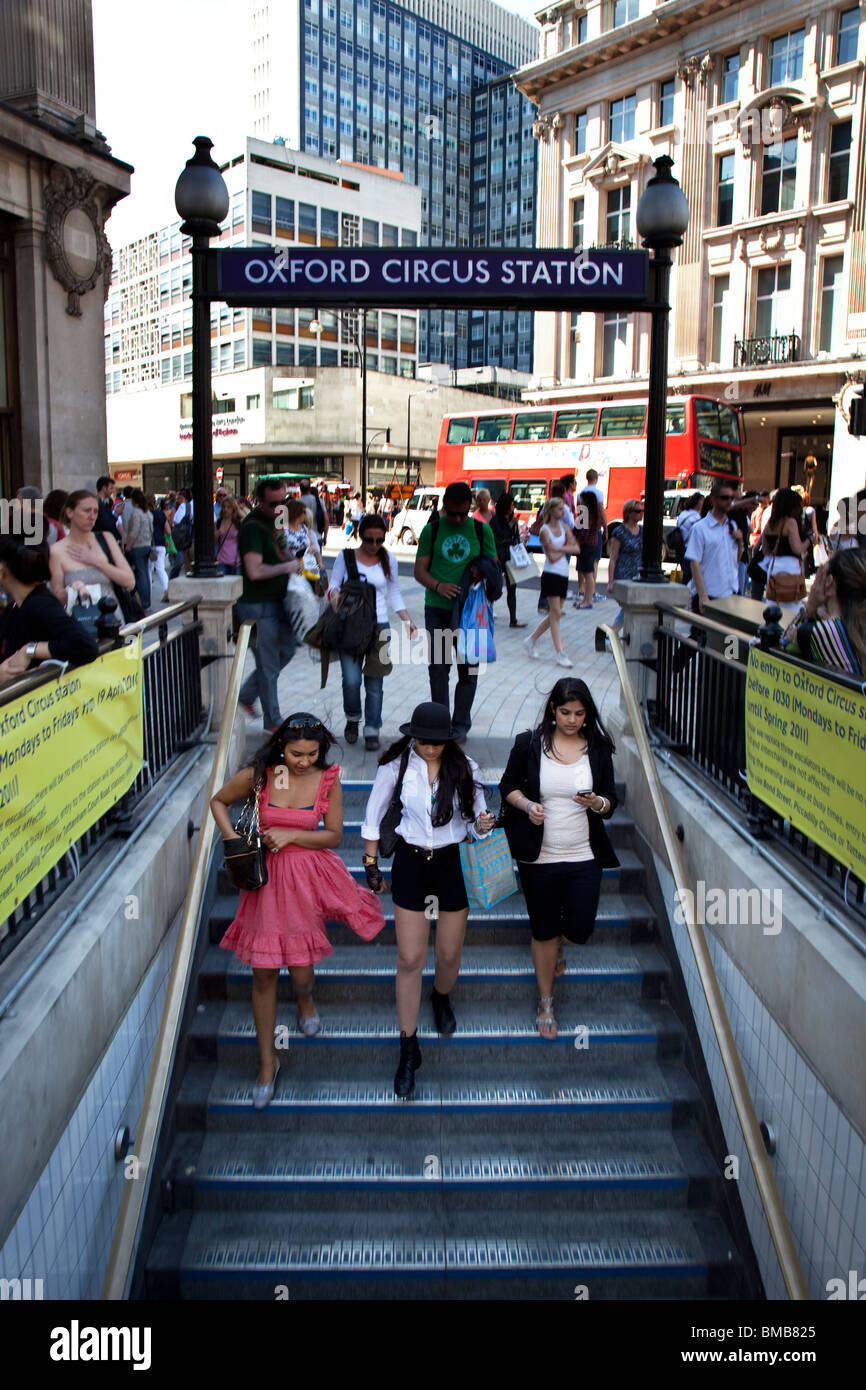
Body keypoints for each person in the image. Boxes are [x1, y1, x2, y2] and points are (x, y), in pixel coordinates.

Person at [210, 714, 384, 1108]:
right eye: (295, 754)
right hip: (264, 883)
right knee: (263, 975)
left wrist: (292, 835)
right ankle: (267, 1064)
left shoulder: (328, 779)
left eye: (312, 753)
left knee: (302, 974)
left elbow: (335, 835)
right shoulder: (261, 774)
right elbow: (218, 801)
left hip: (305, 881)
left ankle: (305, 999)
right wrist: (234, 838)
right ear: (280, 748)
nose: (304, 761)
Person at [361, 702, 496, 1097]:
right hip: (411, 864)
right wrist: (371, 864)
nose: (430, 748)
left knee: (450, 954)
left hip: (451, 864)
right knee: (409, 958)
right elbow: (373, 816)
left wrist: (484, 823)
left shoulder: (465, 767)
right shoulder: (396, 767)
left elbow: (476, 821)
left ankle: (440, 996)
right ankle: (408, 1048)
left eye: (437, 742)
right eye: (423, 741)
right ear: (412, 736)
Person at [499, 678, 618, 1039]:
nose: (572, 720)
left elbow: (610, 801)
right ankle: (546, 1002)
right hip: (540, 859)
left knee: (580, 928)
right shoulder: (530, 744)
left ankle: (557, 946)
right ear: (553, 709)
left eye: (580, 714)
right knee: (544, 929)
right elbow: (507, 787)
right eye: (565, 712)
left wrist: (596, 803)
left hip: (585, 854)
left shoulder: (597, 747)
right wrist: (528, 805)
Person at [413, 479, 499, 741]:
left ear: (470, 507)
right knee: (439, 670)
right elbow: (419, 572)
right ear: (444, 507)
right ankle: (440, 724)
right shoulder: (433, 530)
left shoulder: (482, 531)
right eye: (453, 514)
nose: (459, 519)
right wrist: (438, 585)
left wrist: (478, 571)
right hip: (438, 610)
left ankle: (460, 724)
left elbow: (493, 566)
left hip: (470, 614)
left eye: (464, 513)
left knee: (469, 671)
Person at [328, 512, 416, 750]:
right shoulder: (345, 557)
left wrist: (407, 620)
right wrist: (333, 595)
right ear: (360, 536)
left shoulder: (389, 559)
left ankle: (372, 728)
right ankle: (353, 718)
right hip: (351, 625)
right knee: (351, 680)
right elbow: (333, 584)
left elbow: (394, 592)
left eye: (379, 540)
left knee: (375, 683)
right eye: (369, 540)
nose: (374, 545)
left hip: (380, 626)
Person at [237, 478, 304, 731]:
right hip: (257, 605)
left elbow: (283, 549)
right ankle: (273, 721)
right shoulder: (251, 527)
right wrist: (287, 566)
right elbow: (254, 571)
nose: (279, 508)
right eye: (273, 503)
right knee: (268, 664)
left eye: (283, 502)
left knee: (286, 650)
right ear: (258, 501)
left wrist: (293, 561)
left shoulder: (278, 517)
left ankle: (245, 695)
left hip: (280, 600)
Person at [0, 535, 99, 679]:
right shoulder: (16, 606)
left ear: (2, 570)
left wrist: (31, 649)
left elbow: (85, 646)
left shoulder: (40, 605)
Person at [782, 549, 866, 674]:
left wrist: (810, 606)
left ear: (829, 582)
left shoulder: (816, 632)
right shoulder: (858, 627)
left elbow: (781, 645)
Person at [49, 490, 135, 604]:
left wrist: (99, 562)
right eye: (86, 511)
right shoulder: (56, 551)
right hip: (78, 617)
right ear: (70, 512)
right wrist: (72, 591)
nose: (92, 516)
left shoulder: (106, 538)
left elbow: (130, 581)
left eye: (95, 511)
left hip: (113, 616)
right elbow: (56, 594)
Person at [523, 496, 578, 667]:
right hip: (550, 574)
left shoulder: (565, 528)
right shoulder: (544, 530)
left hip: (563, 574)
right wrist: (564, 549)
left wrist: (560, 547)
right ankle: (560, 653)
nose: (563, 512)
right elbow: (552, 558)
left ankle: (531, 640)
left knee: (555, 613)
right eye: (560, 508)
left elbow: (576, 548)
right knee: (556, 613)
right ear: (552, 510)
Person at [684, 479, 741, 614]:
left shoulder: (732, 526)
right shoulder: (700, 528)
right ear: (714, 500)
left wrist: (740, 542)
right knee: (702, 634)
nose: (729, 501)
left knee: (727, 635)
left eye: (732, 498)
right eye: (724, 498)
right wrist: (703, 595)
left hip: (730, 593)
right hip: (709, 594)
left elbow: (736, 560)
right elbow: (694, 563)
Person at [759, 488, 810, 599]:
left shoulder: (770, 523)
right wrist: (808, 542)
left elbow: (765, 550)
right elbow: (797, 548)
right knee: (790, 604)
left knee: (774, 601)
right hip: (790, 568)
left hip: (773, 567)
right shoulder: (790, 522)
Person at [490, 491, 527, 628]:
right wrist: (511, 524)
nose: (513, 508)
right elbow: (498, 537)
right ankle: (487, 614)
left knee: (512, 587)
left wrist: (520, 543)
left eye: (513, 505)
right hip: (499, 556)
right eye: (511, 505)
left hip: (511, 556)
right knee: (495, 586)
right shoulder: (496, 520)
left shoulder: (512, 519)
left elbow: (515, 537)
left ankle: (513, 619)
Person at [606, 498, 644, 625]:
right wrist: (610, 582)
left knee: (632, 607)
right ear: (629, 513)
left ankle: (617, 634)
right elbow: (613, 557)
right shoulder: (620, 532)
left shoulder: (642, 530)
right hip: (623, 574)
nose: (641, 513)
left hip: (637, 575)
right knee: (629, 606)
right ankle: (613, 632)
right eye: (638, 511)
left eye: (642, 510)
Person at [123, 489, 154, 612]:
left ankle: (144, 603)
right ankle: (146, 601)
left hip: (137, 546)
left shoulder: (136, 513)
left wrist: (128, 546)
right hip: (147, 545)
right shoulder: (148, 513)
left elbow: (134, 531)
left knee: (140, 575)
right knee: (145, 574)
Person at [284, 498, 324, 588]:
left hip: (307, 566)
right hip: (292, 568)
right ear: (295, 512)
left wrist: (310, 549)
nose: (305, 514)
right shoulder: (283, 529)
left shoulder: (303, 528)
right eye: (303, 512)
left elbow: (312, 544)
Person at [580, 469, 607, 601]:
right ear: (596, 478)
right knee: (594, 562)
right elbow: (602, 513)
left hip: (582, 533)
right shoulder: (599, 493)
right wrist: (606, 529)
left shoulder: (580, 493)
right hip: (594, 534)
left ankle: (581, 589)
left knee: (582, 563)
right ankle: (592, 592)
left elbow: (580, 517)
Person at [573, 488, 602, 609]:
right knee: (587, 573)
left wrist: (576, 542)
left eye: (582, 500)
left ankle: (588, 600)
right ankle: (586, 599)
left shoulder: (586, 514)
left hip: (585, 546)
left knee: (587, 574)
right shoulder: (595, 515)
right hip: (591, 545)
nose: (580, 502)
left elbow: (583, 532)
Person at [676, 492, 704, 586]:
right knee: (689, 576)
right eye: (702, 501)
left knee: (685, 573)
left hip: (680, 547)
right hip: (689, 548)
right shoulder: (696, 517)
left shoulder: (683, 513)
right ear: (698, 503)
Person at [168, 488, 194, 579]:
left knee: (188, 569)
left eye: (180, 498)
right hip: (198, 542)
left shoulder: (185, 507)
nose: (178, 500)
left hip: (187, 541)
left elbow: (175, 521)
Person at [215, 495, 243, 576]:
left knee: (237, 587)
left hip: (236, 561)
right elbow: (213, 542)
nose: (225, 509)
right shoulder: (219, 522)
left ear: (233, 508)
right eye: (224, 507)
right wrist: (218, 533)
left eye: (228, 507)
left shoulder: (238, 522)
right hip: (222, 561)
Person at [150, 496, 171, 602]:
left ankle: (147, 596)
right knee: (160, 568)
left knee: (148, 570)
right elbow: (168, 531)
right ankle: (167, 590)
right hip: (160, 543)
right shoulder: (160, 514)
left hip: (149, 544)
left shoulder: (146, 514)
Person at [299, 476, 328, 545]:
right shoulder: (319, 501)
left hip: (302, 538)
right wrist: (325, 537)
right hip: (317, 536)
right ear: (310, 488)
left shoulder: (297, 502)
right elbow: (326, 519)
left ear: (300, 489)